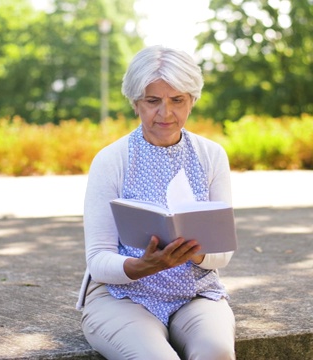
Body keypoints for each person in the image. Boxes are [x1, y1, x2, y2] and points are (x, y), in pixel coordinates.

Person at [76, 45, 236, 360]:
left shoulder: (211, 155)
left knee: (216, 352)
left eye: (177, 100)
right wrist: (140, 266)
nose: (165, 113)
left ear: (192, 100)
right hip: (120, 296)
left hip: (195, 293)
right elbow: (98, 259)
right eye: (152, 101)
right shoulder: (111, 160)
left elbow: (223, 253)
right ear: (136, 102)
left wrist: (198, 251)